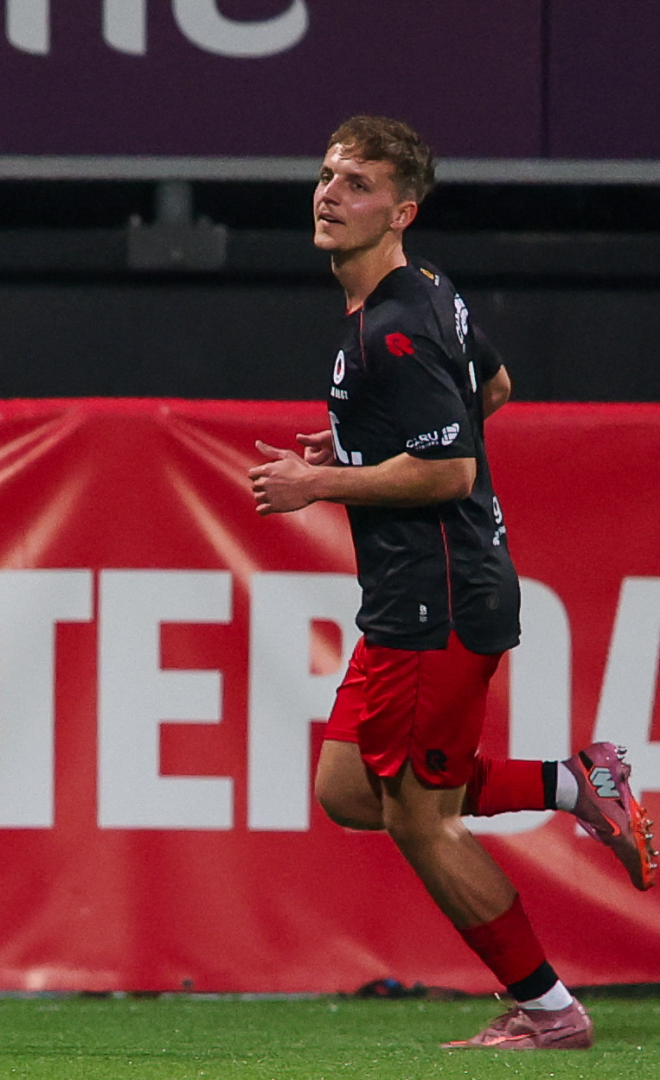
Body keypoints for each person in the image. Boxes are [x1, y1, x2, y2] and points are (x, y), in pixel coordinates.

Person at [249, 116, 656, 1051]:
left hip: (438, 603)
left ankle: (550, 1012)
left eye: (357, 184)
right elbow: (494, 388)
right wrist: (358, 442)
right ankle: (575, 783)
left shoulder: (395, 327)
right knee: (348, 789)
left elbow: (450, 470)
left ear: (402, 211)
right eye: (327, 175)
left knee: (420, 822)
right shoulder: (426, 289)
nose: (329, 194)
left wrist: (319, 482)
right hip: (417, 597)